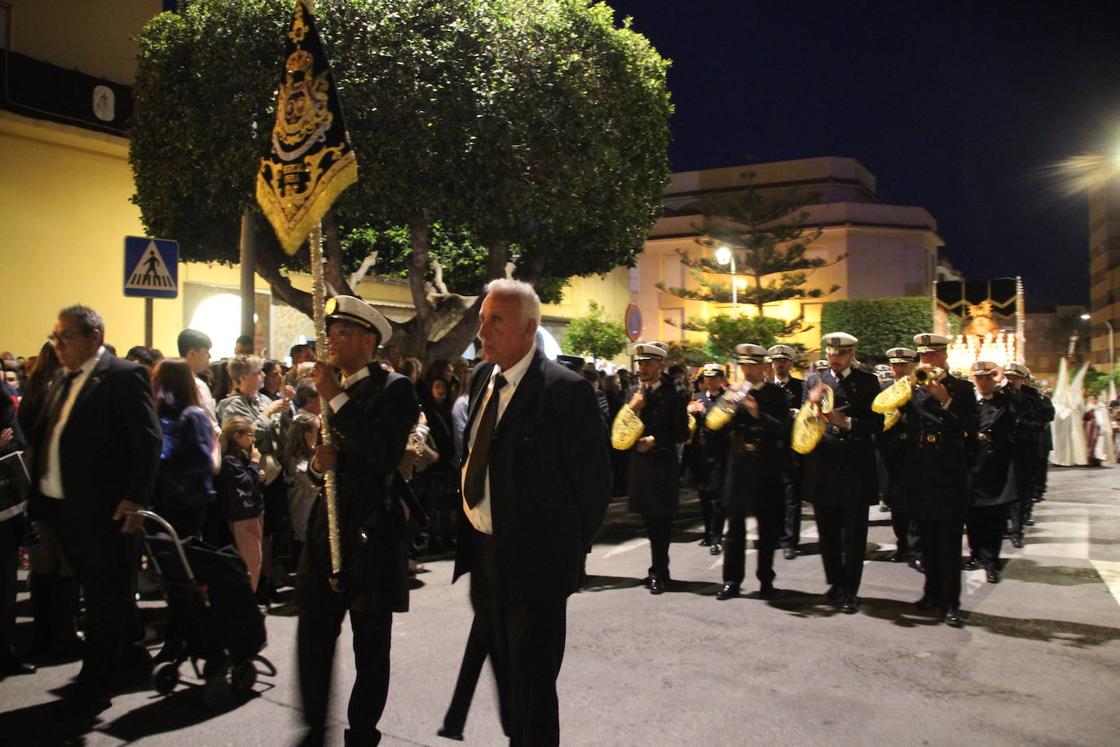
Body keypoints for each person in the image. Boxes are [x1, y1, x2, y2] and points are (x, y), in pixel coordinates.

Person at [449, 279, 609, 746]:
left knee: (534, 689)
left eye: (496, 320)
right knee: (508, 683)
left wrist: (564, 556)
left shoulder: (564, 391)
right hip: (486, 559)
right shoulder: (483, 378)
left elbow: (593, 486)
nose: (484, 331)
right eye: (482, 319)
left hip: (536, 567)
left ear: (530, 329)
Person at [26, 304, 162, 713]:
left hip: (107, 510)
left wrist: (136, 497)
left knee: (104, 598)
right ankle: (135, 660)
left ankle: (95, 683)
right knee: (106, 593)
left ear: (94, 337)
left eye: (66, 337)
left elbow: (148, 440)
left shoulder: (122, 376)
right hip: (61, 507)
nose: (58, 345)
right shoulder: (60, 379)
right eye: (55, 337)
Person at [297, 295, 417, 747]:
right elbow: (328, 461)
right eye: (331, 332)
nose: (332, 340)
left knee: (370, 647)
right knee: (313, 637)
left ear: (369, 341)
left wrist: (335, 397)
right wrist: (315, 464)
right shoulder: (331, 390)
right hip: (326, 533)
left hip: (372, 535)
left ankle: (362, 731)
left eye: (344, 333)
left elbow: (383, 454)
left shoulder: (394, 389)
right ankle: (312, 725)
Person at [897, 332, 977, 628]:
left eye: (932, 354)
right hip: (921, 470)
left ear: (944, 355)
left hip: (948, 472)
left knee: (948, 543)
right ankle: (930, 593)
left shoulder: (962, 388)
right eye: (923, 355)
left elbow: (970, 427)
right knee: (926, 541)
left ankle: (951, 602)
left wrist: (946, 402)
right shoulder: (913, 386)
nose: (927, 360)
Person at [800, 332, 883, 614]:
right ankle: (835, 583)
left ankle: (851, 589)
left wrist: (846, 421)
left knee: (854, 535)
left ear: (851, 354)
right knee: (828, 532)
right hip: (824, 464)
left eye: (840, 355)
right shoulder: (815, 380)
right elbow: (803, 422)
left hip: (853, 465)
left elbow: (877, 423)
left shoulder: (867, 381)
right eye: (831, 354)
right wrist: (810, 404)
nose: (834, 360)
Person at [712, 345, 791, 600]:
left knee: (767, 527)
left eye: (752, 366)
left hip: (766, 465)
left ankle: (766, 580)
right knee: (734, 527)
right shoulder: (732, 394)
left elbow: (783, 429)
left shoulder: (776, 394)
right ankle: (731, 581)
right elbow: (715, 430)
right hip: (738, 466)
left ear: (763, 367)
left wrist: (758, 414)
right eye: (743, 366)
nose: (747, 370)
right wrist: (727, 403)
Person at [616, 341, 690, 594]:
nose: (642, 368)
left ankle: (659, 571)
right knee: (649, 521)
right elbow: (619, 430)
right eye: (640, 364)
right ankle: (658, 569)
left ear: (661, 365)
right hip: (639, 467)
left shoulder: (675, 392)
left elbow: (681, 431)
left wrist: (655, 440)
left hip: (662, 466)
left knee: (661, 522)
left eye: (647, 363)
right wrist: (632, 408)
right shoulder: (634, 393)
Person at [966, 361, 1018, 584]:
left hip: (995, 467)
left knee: (994, 519)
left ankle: (991, 561)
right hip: (970, 466)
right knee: (972, 516)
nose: (984, 383)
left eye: (988, 378)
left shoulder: (1005, 401)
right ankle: (976, 554)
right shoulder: (968, 402)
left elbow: (1026, 405)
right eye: (980, 378)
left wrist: (1004, 381)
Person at [151, 358, 215, 539]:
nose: (152, 383)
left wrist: (160, 466)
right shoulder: (159, 414)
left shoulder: (193, 415)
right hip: (161, 498)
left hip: (184, 501)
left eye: (157, 378)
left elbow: (201, 461)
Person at [0, 382, 34, 676]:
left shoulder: (5, 407)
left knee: (5, 589)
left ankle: (6, 652)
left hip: (6, 512)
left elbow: (17, 444)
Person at [879, 347, 921, 566]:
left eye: (903, 365)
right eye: (895, 365)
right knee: (894, 501)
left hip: (913, 451)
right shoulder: (885, 388)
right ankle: (902, 545)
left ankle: (915, 548)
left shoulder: (919, 387)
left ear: (911, 366)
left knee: (913, 501)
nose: (899, 369)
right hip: (891, 451)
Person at [1003, 362, 1053, 547]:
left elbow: (1043, 420)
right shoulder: (1000, 395)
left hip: (1024, 450)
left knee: (1020, 491)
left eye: (1014, 378)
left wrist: (1021, 423)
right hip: (1003, 450)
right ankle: (1003, 527)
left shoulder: (1033, 399)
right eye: (1008, 377)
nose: (1010, 381)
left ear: (1023, 379)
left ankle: (1017, 530)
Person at [215, 416, 266, 591]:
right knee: (252, 559)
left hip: (252, 511)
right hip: (243, 515)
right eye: (249, 434)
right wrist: (254, 462)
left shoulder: (240, 458)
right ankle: (248, 597)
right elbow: (244, 483)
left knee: (255, 556)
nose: (252, 439)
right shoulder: (230, 460)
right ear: (236, 436)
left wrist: (257, 473)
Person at [686, 363, 729, 553]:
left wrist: (707, 413)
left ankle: (716, 536)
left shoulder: (727, 399)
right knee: (703, 495)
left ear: (721, 379)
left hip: (720, 453)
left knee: (718, 497)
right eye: (707, 378)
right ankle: (707, 532)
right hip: (700, 453)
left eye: (714, 377)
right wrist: (689, 409)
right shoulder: (698, 398)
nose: (710, 381)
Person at [768, 344, 805, 560]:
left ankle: (790, 540)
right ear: (772, 364)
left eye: (784, 361)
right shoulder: (766, 388)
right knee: (773, 494)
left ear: (790, 364)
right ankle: (776, 535)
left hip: (792, 447)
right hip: (772, 449)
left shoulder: (801, 387)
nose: (780, 365)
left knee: (792, 495)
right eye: (777, 361)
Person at [177, 328, 218, 430]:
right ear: (192, 353)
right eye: (205, 352)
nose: (209, 356)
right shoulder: (197, 385)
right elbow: (210, 423)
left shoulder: (169, 380)